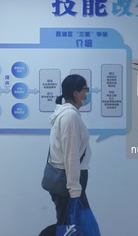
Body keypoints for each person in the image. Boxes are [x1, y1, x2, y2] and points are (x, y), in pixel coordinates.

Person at [39, 74, 92, 236]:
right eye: (85, 89)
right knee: (68, 226)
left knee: (69, 224)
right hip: (68, 181)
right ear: (76, 93)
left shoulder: (66, 114)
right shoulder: (70, 116)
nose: (87, 93)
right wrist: (75, 190)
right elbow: (71, 156)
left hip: (66, 180)